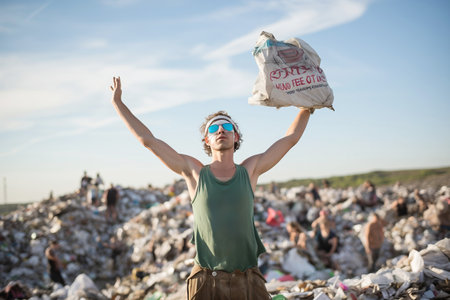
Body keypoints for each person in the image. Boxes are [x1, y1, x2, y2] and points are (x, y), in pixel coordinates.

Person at [110, 76, 311, 299]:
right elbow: (149, 140)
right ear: (207, 140)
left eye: (227, 126)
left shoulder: (250, 170)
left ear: (236, 137)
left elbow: (290, 139)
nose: (221, 131)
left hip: (248, 279)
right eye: (214, 128)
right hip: (207, 280)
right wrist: (118, 103)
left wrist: (307, 107)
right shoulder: (194, 172)